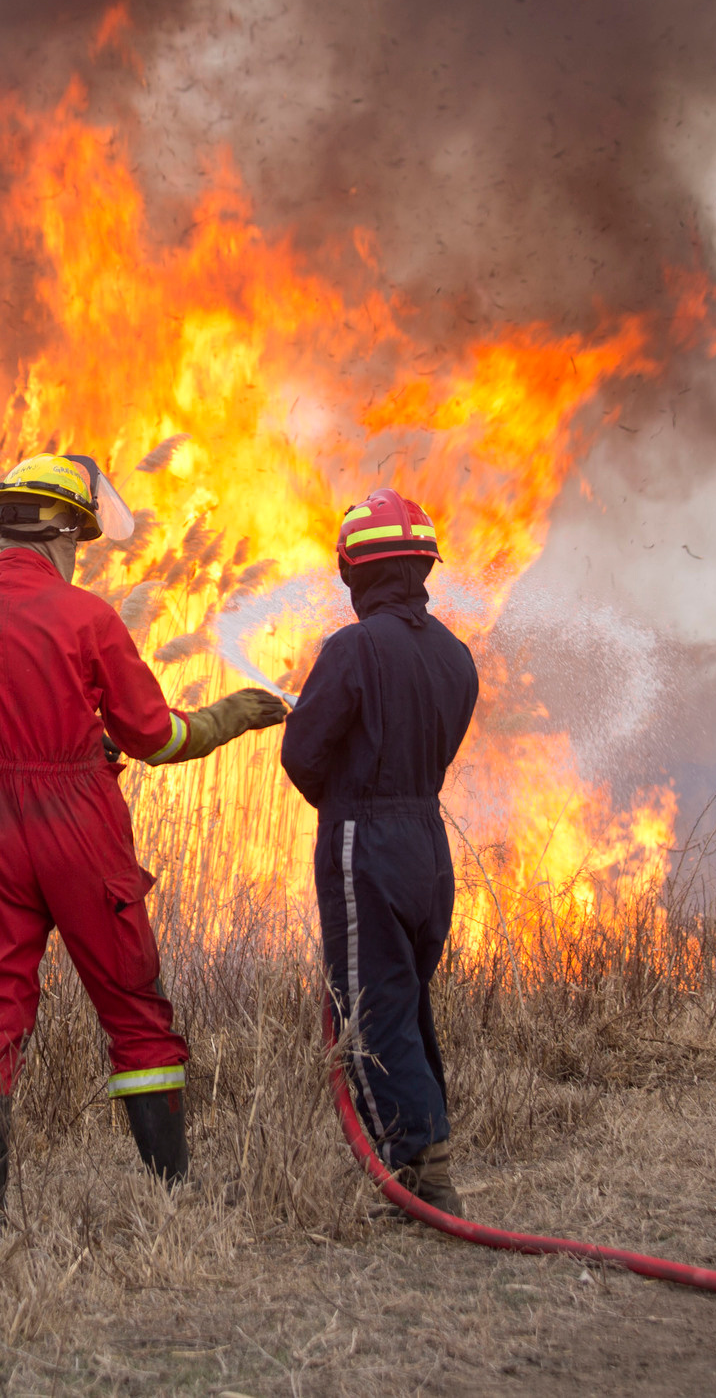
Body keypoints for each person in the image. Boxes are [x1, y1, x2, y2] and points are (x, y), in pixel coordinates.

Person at [0, 452, 287, 1230]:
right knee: (132, 1006)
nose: (79, 551)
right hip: (77, 827)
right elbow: (155, 737)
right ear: (61, 533)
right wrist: (229, 717)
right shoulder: (87, 618)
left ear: (3, 526)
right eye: (79, 538)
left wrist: (5, 761)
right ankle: (170, 1202)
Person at [278, 489, 480, 1214]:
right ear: (422, 565)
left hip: (365, 841)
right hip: (429, 842)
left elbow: (301, 754)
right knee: (404, 1000)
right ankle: (426, 1159)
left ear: (352, 570)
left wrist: (347, 801)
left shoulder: (352, 648)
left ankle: (419, 1166)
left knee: (369, 1008)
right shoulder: (455, 654)